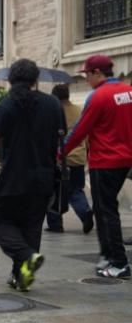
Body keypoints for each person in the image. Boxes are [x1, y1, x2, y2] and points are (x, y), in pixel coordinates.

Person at [0, 59, 64, 291]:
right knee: (32, 224)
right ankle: (21, 275)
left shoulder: (8, 104)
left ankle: (27, 257)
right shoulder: (52, 104)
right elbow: (60, 139)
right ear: (35, 79)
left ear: (11, 80)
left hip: (15, 177)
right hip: (45, 176)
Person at [62, 54, 132, 278]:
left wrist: (60, 152)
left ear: (97, 73)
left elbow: (80, 130)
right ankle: (108, 255)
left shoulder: (99, 96)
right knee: (105, 209)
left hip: (105, 160)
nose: (86, 80)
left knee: (106, 210)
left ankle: (119, 262)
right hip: (126, 159)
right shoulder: (128, 92)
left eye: (87, 75)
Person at [45, 84, 93, 234]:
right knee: (76, 189)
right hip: (78, 157)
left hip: (59, 158)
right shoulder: (80, 110)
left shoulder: (52, 111)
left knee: (54, 191)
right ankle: (85, 212)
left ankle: (55, 225)